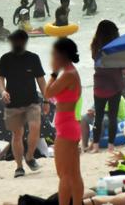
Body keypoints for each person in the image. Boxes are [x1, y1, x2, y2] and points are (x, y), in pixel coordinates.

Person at [0, 30, 48, 178]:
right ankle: (19, 167)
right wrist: (2, 91)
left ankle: (30, 156)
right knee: (17, 134)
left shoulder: (33, 58)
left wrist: (46, 99)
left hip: (32, 102)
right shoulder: (5, 59)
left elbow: (41, 81)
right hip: (12, 103)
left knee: (35, 128)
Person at [44, 38, 83, 205]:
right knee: (73, 174)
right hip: (70, 126)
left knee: (64, 174)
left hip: (66, 129)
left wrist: (53, 72)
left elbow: (47, 93)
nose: (52, 57)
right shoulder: (71, 72)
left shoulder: (67, 74)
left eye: (54, 54)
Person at [89, 20, 123, 152]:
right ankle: (111, 146)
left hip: (99, 85)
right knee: (113, 116)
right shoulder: (118, 47)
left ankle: (96, 145)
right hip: (115, 85)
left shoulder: (95, 47)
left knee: (98, 116)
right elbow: (123, 68)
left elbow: (96, 61)